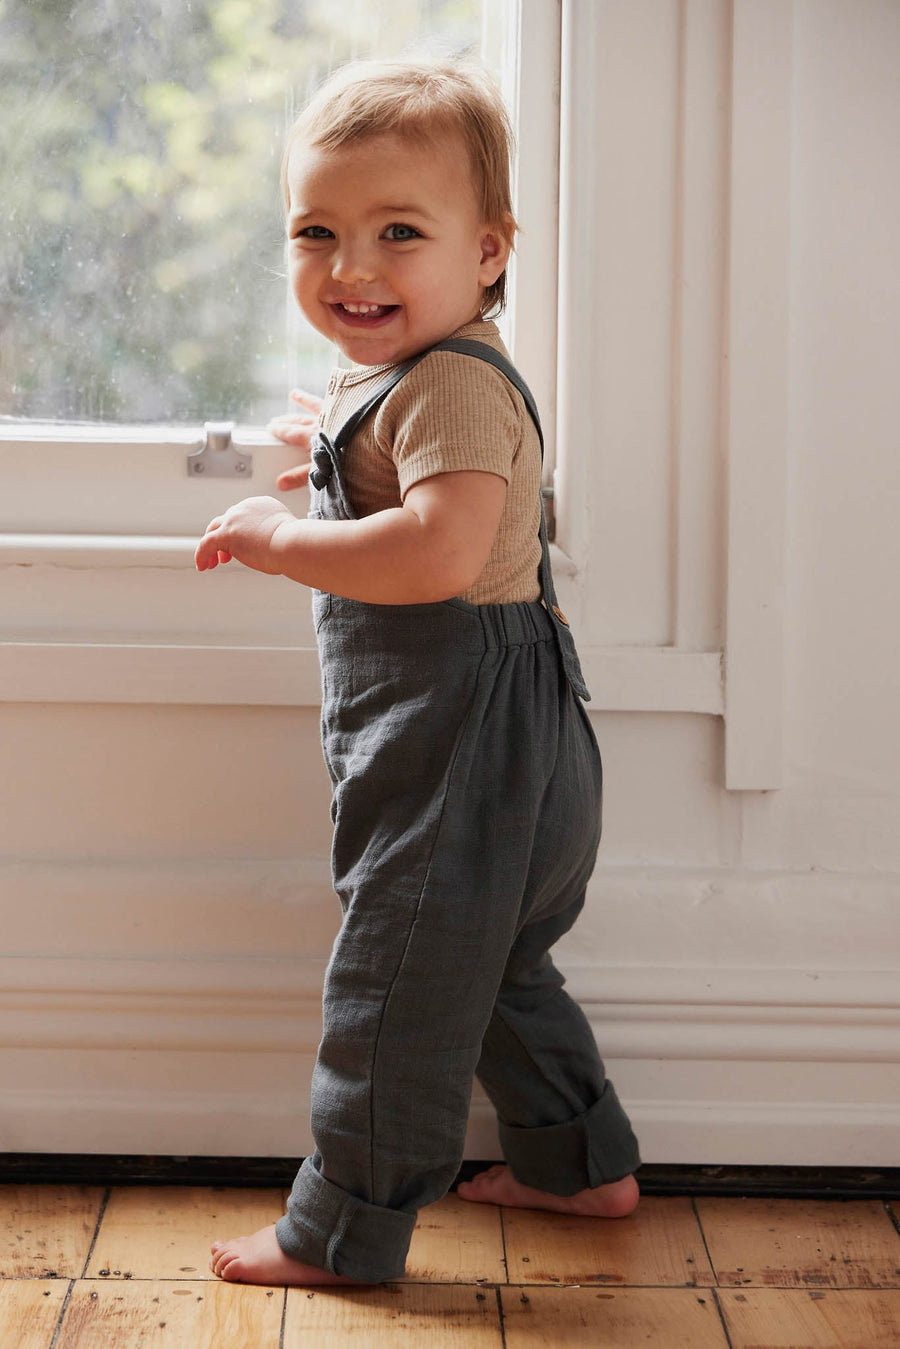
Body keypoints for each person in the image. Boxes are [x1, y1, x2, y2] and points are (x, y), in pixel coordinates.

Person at [197, 58, 641, 1288]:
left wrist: (281, 538)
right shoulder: (416, 376)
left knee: (393, 984)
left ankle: (342, 1229)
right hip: (514, 733)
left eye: (400, 231)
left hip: (464, 733)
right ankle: (578, 1160)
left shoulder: (446, 380)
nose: (353, 267)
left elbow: (438, 551)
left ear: (488, 251)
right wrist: (333, 444)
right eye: (317, 232)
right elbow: (417, 472)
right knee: (488, 965)